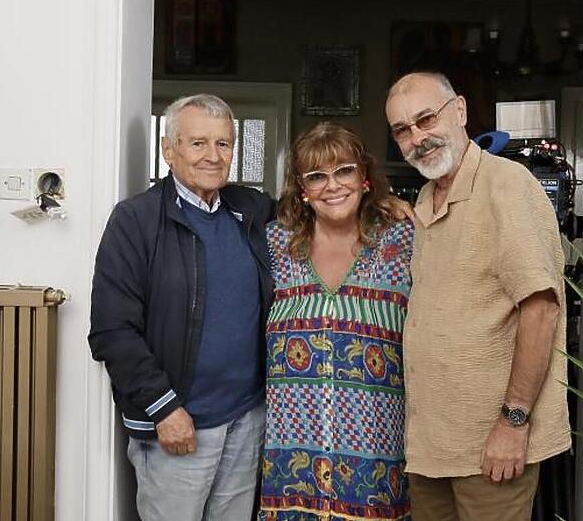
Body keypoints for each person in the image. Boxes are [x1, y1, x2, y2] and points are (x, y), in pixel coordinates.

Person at [385, 72, 569, 521]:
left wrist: (514, 422)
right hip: (432, 447)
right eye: (402, 130)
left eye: (426, 119)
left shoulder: (507, 186)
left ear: (461, 111)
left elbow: (541, 309)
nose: (418, 138)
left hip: (490, 447)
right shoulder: (428, 197)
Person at [89, 94, 274, 521]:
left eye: (224, 144)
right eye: (198, 143)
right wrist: (164, 408)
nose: (213, 156)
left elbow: (319, 216)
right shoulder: (134, 220)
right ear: (168, 150)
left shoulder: (253, 210)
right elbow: (112, 330)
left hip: (246, 421)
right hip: (178, 422)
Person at [258, 123, 413, 521]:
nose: (332, 185)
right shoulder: (274, 245)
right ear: (302, 189)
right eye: (317, 176)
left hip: (376, 459)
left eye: (344, 170)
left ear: (364, 178)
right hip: (292, 465)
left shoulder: (402, 242)